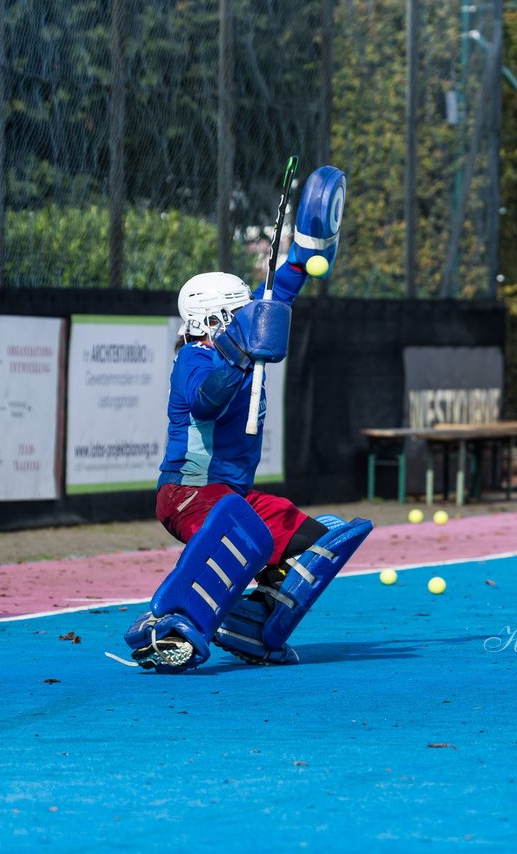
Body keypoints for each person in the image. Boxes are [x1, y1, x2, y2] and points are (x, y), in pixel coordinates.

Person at [116, 166, 374, 674]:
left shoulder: (242, 335)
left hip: (233, 495)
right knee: (241, 529)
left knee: (319, 539)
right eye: (235, 314)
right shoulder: (193, 360)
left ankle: (255, 623)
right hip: (188, 493)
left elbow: (280, 290)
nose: (247, 318)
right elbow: (207, 402)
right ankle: (168, 623)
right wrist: (238, 352)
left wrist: (304, 252)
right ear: (210, 321)